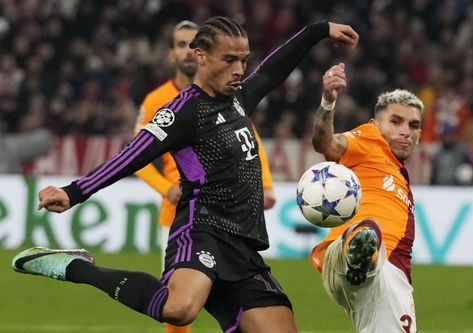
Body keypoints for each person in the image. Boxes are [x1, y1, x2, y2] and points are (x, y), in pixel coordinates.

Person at [12, 17, 359, 332]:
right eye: (229, 60)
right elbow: (134, 154)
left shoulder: (238, 99)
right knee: (179, 309)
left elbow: (272, 70)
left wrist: (317, 32)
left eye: (243, 60)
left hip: (244, 244)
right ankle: (77, 268)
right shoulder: (183, 111)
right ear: (201, 56)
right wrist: (75, 191)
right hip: (202, 228)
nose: (239, 69)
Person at [134, 19, 276, 333]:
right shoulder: (158, 101)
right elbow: (138, 158)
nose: (186, 51)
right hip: (182, 212)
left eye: (190, 43)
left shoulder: (227, 93)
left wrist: (264, 184)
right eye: (180, 45)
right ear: (172, 54)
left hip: (228, 213)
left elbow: (248, 139)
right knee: (180, 307)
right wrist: (165, 188)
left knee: (228, 305)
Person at [311, 63, 422, 332]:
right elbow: (326, 143)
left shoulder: (397, 173)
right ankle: (359, 250)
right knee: (368, 230)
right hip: (363, 260)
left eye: (414, 125)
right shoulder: (370, 140)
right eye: (395, 121)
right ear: (375, 124)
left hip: (390, 274)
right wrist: (328, 101)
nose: (405, 131)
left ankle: (361, 251)